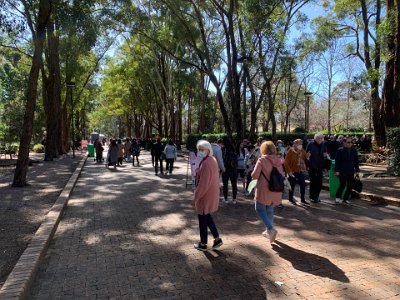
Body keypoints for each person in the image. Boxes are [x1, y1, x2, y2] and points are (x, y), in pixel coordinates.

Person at [191, 140, 223, 251]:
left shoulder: (207, 162)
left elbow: (203, 184)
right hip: (210, 193)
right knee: (207, 216)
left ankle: (203, 243)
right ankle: (217, 238)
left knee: (202, 218)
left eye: (201, 149)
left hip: (205, 195)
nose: (199, 151)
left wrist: (195, 198)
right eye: (198, 149)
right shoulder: (211, 160)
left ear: (208, 150)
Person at [251, 141, 284, 244]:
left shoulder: (262, 160)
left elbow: (255, 176)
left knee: (259, 208)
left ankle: (270, 228)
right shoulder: (279, 160)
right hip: (276, 189)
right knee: (269, 208)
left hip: (264, 189)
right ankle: (269, 231)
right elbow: (282, 174)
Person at [335, 137, 360, 205]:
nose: (350, 144)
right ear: (344, 143)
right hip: (342, 170)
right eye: (348, 142)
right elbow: (337, 161)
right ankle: (337, 197)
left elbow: (356, 161)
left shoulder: (354, 150)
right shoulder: (340, 150)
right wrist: (337, 170)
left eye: (351, 142)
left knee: (350, 185)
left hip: (351, 170)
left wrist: (357, 170)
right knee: (342, 184)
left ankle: (345, 199)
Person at [284, 139, 309, 205]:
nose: (300, 145)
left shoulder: (302, 150)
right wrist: (289, 171)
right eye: (299, 144)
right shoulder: (290, 151)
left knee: (303, 184)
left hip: (300, 171)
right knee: (292, 184)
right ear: (295, 144)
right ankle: (290, 198)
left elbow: (306, 158)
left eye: (301, 144)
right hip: (292, 171)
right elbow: (286, 162)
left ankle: (303, 199)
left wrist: (308, 156)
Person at [306, 133, 328, 203]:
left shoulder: (323, 145)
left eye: (321, 138)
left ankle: (317, 196)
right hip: (312, 166)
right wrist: (308, 163)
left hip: (320, 166)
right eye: (318, 138)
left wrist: (325, 156)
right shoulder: (310, 144)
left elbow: (325, 154)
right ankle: (312, 197)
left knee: (319, 183)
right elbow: (307, 155)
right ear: (315, 139)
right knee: (313, 182)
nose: (320, 139)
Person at [221, 137, 238, 204]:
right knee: (234, 184)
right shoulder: (233, 149)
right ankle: (234, 199)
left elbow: (222, 159)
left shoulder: (223, 149)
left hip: (225, 169)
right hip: (233, 169)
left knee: (225, 184)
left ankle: (226, 199)